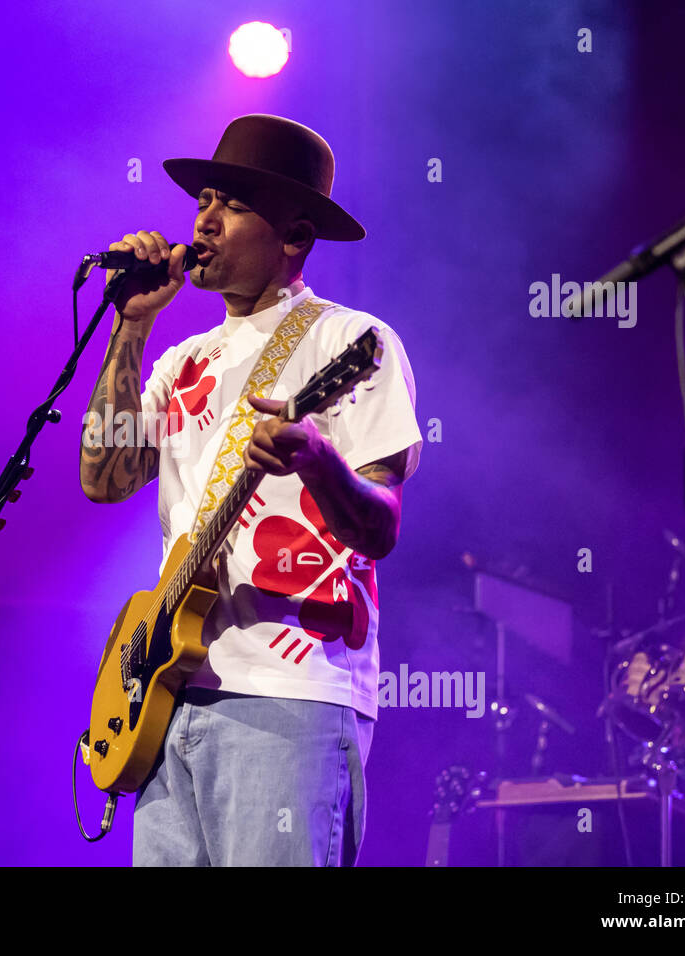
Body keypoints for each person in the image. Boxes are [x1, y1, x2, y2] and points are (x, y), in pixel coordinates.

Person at [80, 114, 423, 866]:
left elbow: (382, 527)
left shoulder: (349, 343)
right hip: (166, 697)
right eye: (203, 199)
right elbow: (103, 478)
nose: (202, 219)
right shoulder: (181, 359)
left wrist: (316, 460)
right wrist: (130, 329)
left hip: (289, 692)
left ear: (294, 237)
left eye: (230, 205)